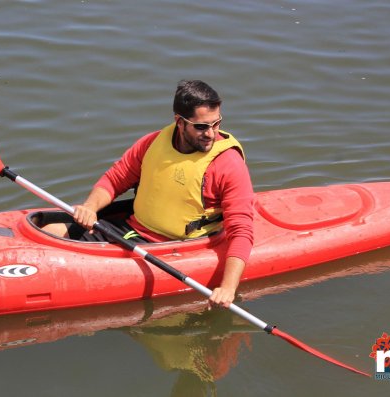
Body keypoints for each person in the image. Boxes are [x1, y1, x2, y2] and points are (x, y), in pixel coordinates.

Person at [44, 80, 254, 308]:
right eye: (201, 127)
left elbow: (241, 230)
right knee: (49, 230)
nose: (211, 133)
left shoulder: (228, 164)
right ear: (179, 122)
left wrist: (228, 287)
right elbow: (115, 179)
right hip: (131, 228)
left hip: (172, 246)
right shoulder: (153, 142)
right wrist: (90, 207)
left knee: (59, 259)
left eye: (216, 124)